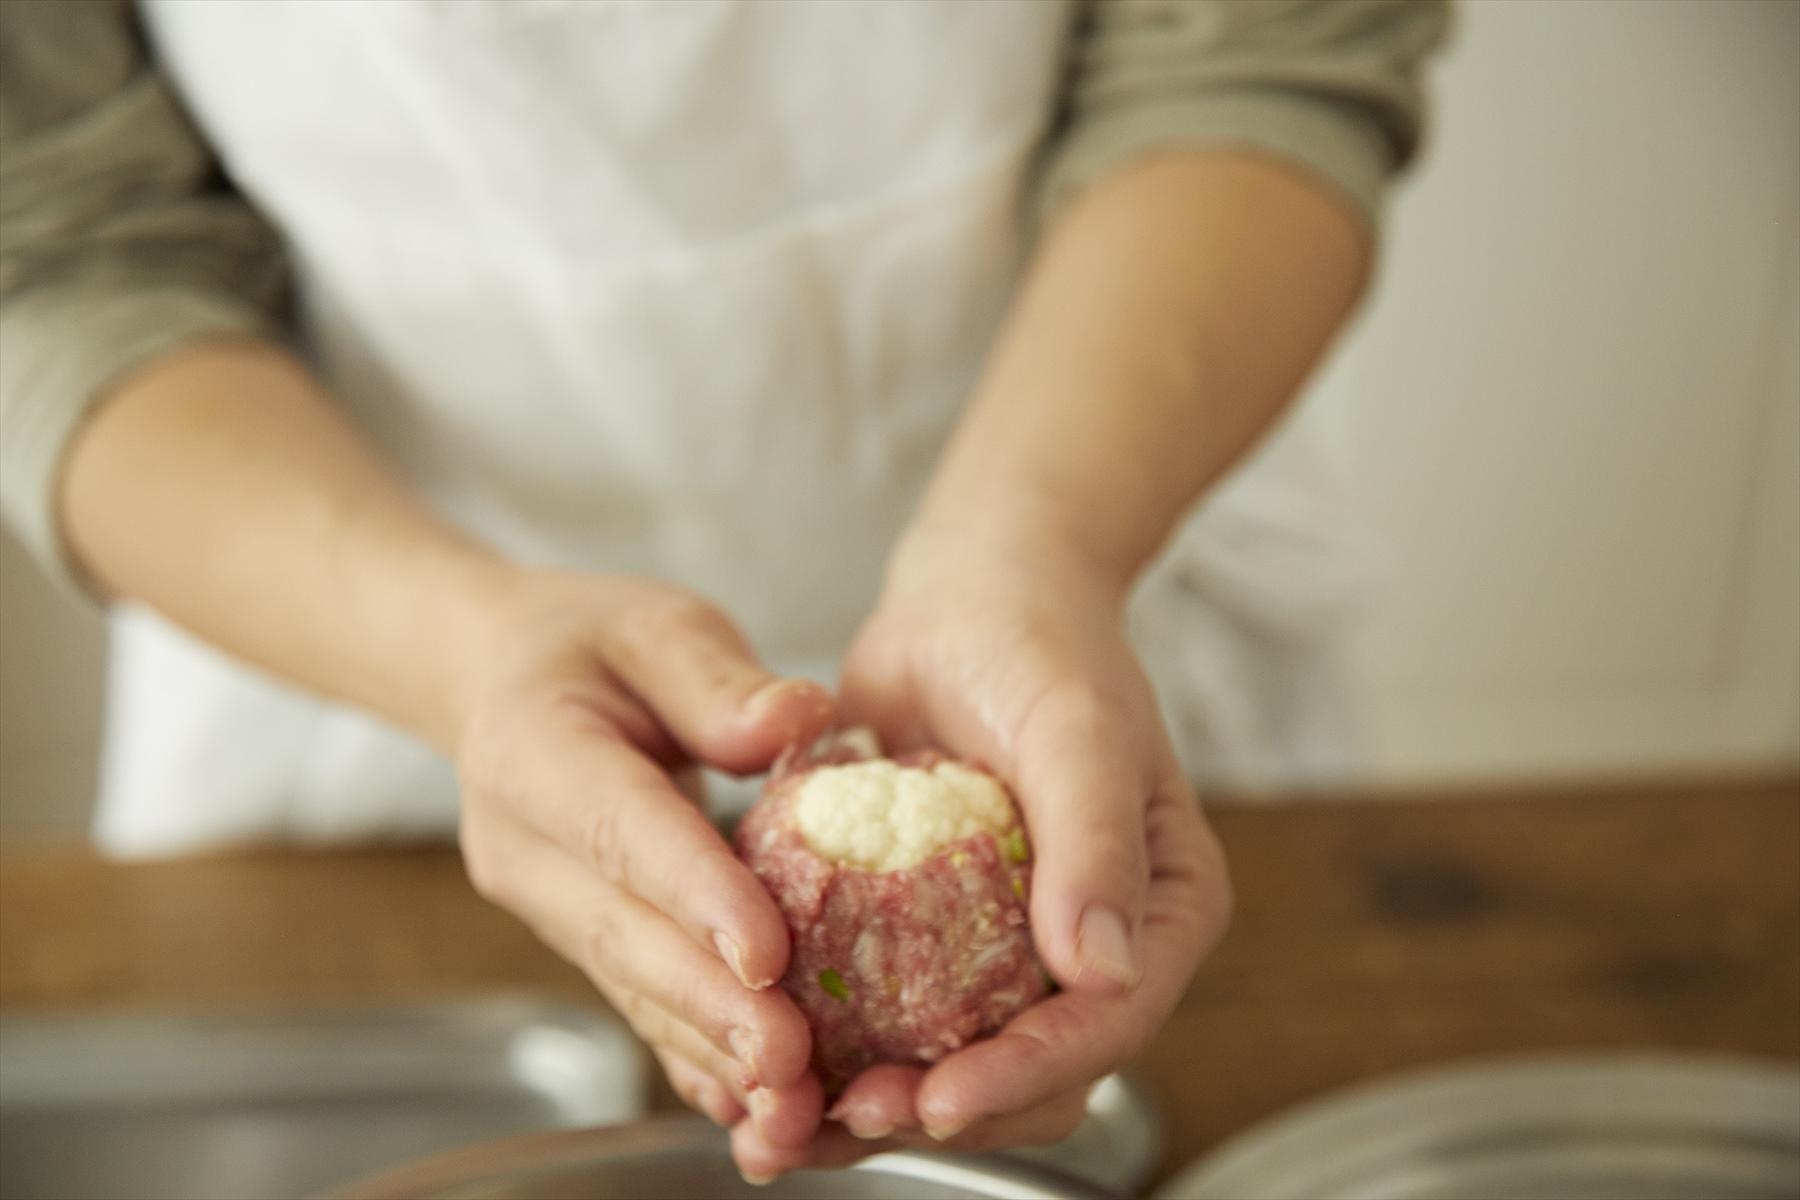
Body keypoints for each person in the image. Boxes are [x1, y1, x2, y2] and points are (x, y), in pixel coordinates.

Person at [0, 0, 1446, 1182]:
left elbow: (1259, 59)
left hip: (1089, 556)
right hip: (338, 615)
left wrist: (1038, 546)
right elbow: (58, 244)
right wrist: (466, 651)